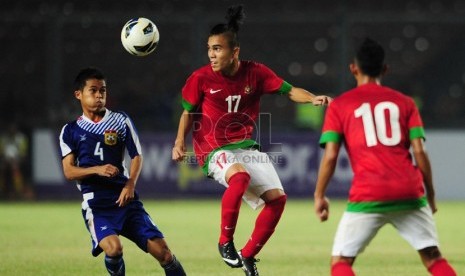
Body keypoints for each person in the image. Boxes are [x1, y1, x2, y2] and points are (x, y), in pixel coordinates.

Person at [171, 5, 331, 276]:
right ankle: (225, 243)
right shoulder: (200, 78)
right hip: (212, 147)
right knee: (240, 177)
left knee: (278, 200)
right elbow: (188, 112)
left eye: (218, 49)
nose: (211, 54)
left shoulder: (255, 73)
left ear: (235, 52)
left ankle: (248, 255)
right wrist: (179, 142)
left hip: (245, 145)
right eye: (209, 48)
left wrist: (313, 97)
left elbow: (289, 91)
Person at [313, 38, 456, 276]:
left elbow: (330, 157)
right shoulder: (406, 103)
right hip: (409, 190)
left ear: (353, 68)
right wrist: (430, 194)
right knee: (433, 258)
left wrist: (319, 195)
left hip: (368, 192)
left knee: (340, 262)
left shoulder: (340, 106)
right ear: (385, 69)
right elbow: (419, 151)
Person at [59, 67, 186, 276]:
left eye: (103, 90)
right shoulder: (70, 130)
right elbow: (69, 171)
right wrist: (98, 169)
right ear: (78, 94)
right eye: (93, 90)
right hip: (97, 204)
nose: (99, 95)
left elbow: (137, 156)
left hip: (126, 200)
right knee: (114, 248)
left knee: (164, 254)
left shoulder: (120, 120)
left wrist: (130, 184)